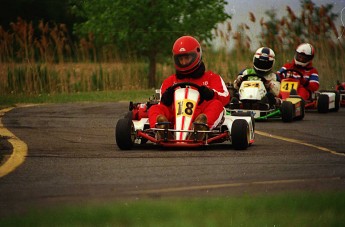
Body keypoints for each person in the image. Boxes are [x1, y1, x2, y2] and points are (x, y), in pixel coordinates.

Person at [148, 35, 230, 139]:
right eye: (181, 59)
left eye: (187, 58)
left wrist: (211, 93)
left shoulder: (211, 78)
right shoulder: (170, 81)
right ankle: (162, 129)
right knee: (154, 108)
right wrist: (165, 99)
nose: (184, 62)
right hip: (175, 119)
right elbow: (162, 105)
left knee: (217, 105)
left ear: (197, 55)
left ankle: (200, 127)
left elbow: (225, 98)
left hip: (201, 113)